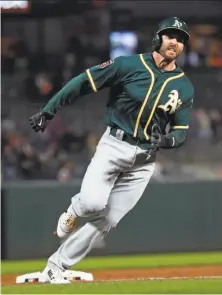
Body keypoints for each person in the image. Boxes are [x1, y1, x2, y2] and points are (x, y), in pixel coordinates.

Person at [29, 16, 194, 284]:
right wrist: (49, 110)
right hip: (114, 145)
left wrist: (166, 142)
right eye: (169, 35)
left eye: (180, 39)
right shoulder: (128, 65)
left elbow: (181, 132)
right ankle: (74, 209)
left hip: (144, 161)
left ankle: (56, 266)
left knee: (107, 221)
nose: (174, 42)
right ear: (157, 38)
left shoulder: (184, 86)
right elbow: (83, 81)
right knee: (93, 203)